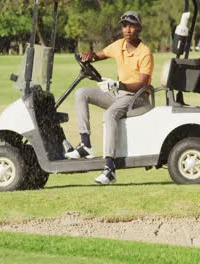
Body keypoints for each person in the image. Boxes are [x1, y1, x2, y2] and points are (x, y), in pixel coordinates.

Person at [65, 11, 154, 185]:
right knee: (82, 93)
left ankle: (110, 168)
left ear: (139, 28)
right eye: (124, 25)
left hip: (139, 97)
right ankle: (85, 144)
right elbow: (98, 55)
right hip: (120, 95)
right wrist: (88, 56)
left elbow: (142, 84)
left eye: (131, 25)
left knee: (110, 115)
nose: (127, 29)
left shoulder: (145, 53)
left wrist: (120, 85)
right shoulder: (119, 45)